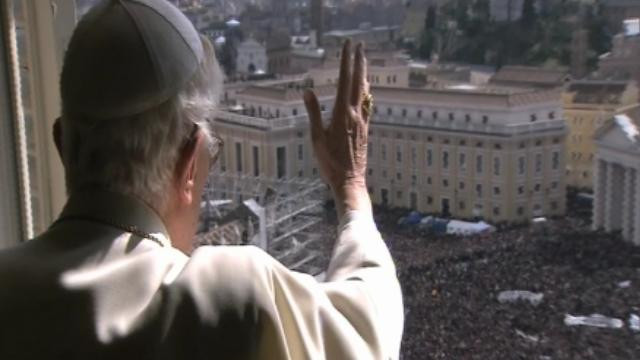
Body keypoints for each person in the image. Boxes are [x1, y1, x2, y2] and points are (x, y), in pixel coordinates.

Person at [0, 0, 404, 359]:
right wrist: (350, 185)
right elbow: (367, 327)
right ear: (189, 162)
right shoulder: (234, 300)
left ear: (61, 144)